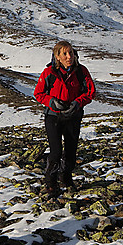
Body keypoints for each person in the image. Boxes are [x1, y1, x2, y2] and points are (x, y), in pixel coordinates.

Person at [33, 41, 96, 198]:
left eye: (71, 53)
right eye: (65, 54)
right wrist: (52, 102)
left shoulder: (81, 71)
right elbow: (38, 93)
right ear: (57, 57)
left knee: (70, 151)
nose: (69, 57)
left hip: (73, 117)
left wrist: (77, 103)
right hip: (53, 117)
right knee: (55, 151)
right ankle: (50, 183)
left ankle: (66, 179)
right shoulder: (49, 72)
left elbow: (90, 92)